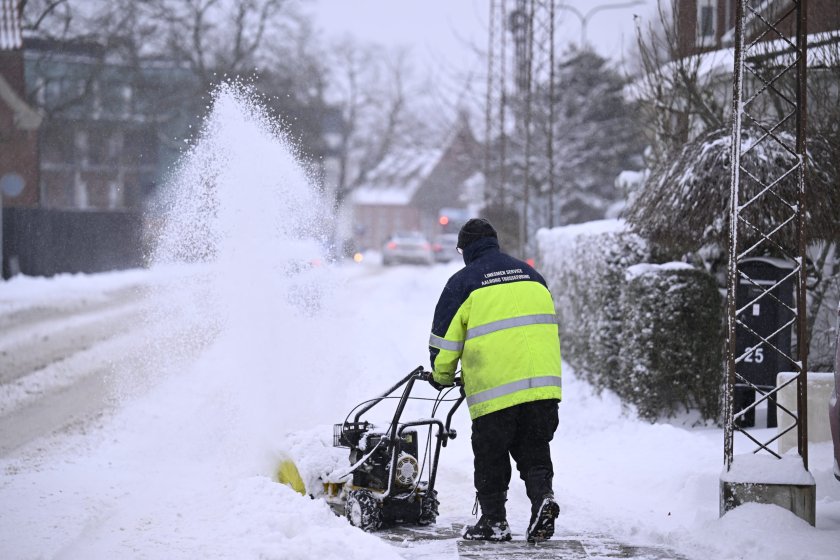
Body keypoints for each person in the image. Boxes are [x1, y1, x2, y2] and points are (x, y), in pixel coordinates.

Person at [427, 218, 562, 543]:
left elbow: (444, 341)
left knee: (491, 454)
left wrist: (441, 376)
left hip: (496, 388)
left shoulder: (464, 282)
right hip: (543, 388)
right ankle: (543, 497)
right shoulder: (532, 276)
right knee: (534, 449)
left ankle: (494, 521)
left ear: (465, 249)